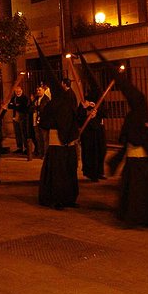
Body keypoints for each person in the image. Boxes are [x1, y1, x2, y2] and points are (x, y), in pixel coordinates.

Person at [99, 51, 148, 228]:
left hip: (143, 160)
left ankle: (145, 216)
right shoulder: (135, 116)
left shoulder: (138, 114)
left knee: (144, 190)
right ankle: (138, 216)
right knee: (138, 191)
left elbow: (142, 133)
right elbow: (135, 137)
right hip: (137, 161)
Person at [35, 44, 80, 210]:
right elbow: (44, 123)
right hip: (57, 144)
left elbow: (75, 118)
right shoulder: (51, 105)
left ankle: (69, 197)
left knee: (69, 171)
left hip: (68, 143)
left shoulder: (68, 101)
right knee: (58, 173)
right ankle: (56, 198)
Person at [77, 92, 107, 182]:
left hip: (99, 130)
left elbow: (105, 113)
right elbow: (79, 116)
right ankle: (92, 173)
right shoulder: (84, 102)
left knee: (101, 150)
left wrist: (97, 111)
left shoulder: (100, 100)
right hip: (88, 132)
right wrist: (86, 111)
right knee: (90, 152)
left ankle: (99, 172)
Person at [8, 86, 29, 154]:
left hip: (22, 117)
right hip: (15, 117)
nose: (18, 93)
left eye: (19, 91)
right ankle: (19, 147)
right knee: (17, 133)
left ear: (22, 91)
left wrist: (15, 106)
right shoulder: (14, 98)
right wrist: (16, 105)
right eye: (16, 91)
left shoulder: (24, 98)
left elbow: (23, 107)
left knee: (24, 133)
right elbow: (9, 106)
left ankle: (26, 148)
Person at [33, 85, 50, 159]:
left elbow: (43, 109)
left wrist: (37, 107)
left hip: (44, 121)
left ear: (43, 90)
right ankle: (40, 152)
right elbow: (30, 107)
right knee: (38, 137)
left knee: (44, 138)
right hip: (36, 120)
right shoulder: (36, 99)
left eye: (39, 90)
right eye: (37, 90)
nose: (38, 92)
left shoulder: (46, 99)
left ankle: (45, 154)